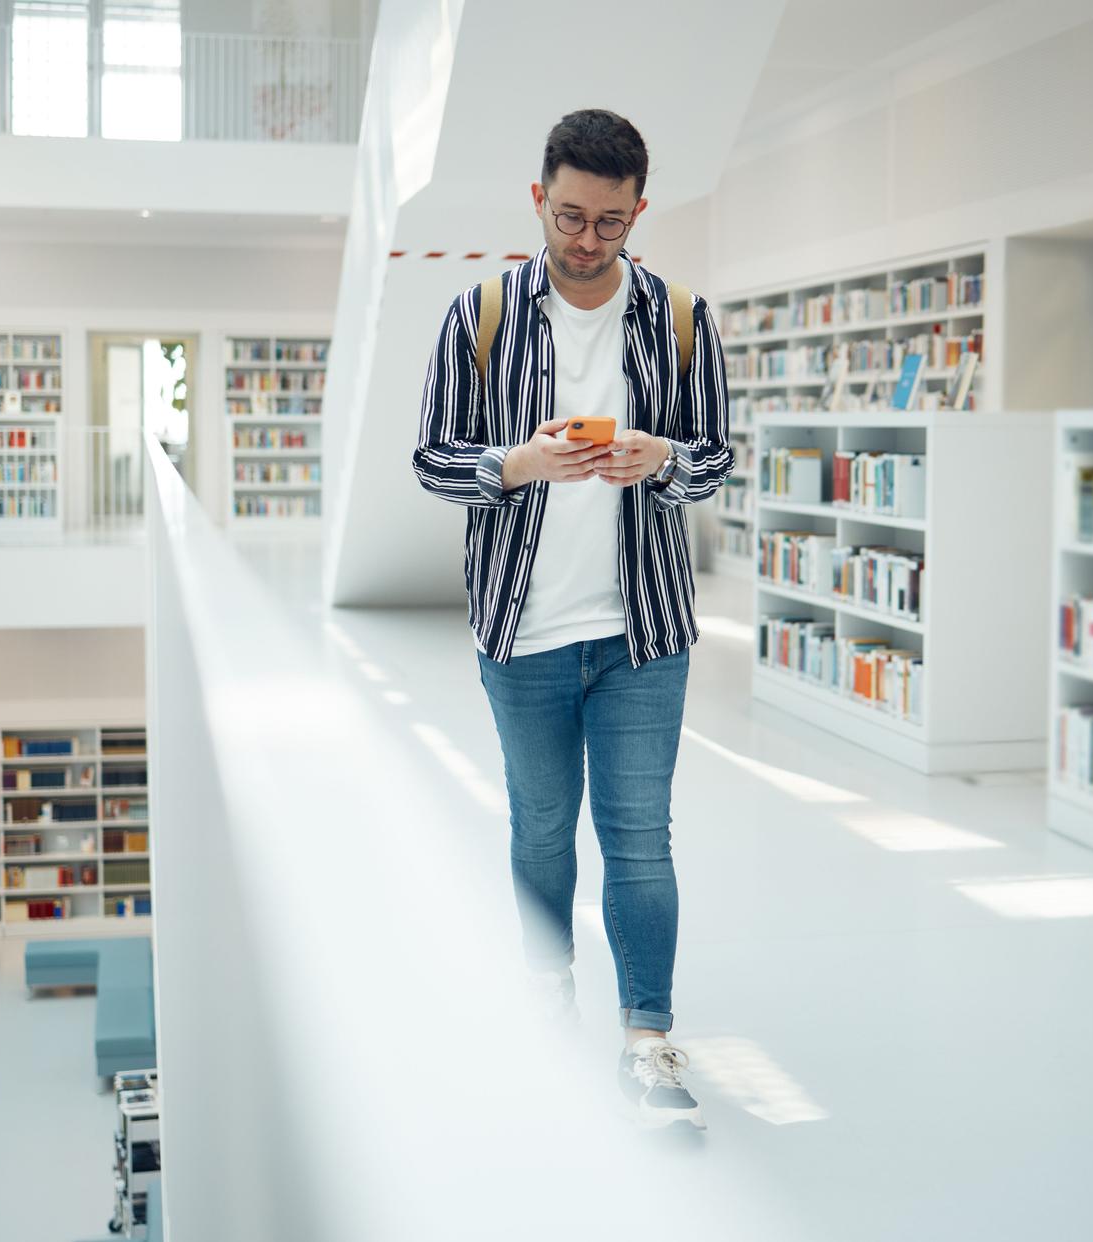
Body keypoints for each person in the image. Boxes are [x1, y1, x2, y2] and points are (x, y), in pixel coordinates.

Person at [410, 108, 732, 1130]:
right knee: (542, 829)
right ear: (538, 198)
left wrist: (665, 461)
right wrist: (516, 463)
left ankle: (649, 1041)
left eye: (610, 221)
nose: (587, 240)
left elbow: (716, 457)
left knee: (640, 838)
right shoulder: (480, 315)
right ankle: (546, 1003)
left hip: (645, 632)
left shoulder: (682, 317)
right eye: (569, 215)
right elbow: (432, 459)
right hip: (524, 631)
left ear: (640, 210)